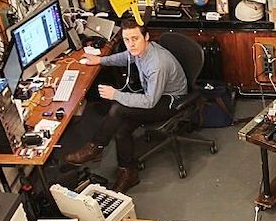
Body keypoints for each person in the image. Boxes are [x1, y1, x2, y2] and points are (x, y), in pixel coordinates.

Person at [63, 20, 187, 192]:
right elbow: (125, 57)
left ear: (147, 37)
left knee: (118, 108)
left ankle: (96, 147)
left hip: (169, 101)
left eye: (135, 39)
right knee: (121, 127)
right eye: (127, 40)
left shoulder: (156, 65)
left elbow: (150, 101)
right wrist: (100, 60)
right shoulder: (138, 50)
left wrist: (117, 94)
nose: (131, 44)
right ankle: (128, 173)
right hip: (152, 94)